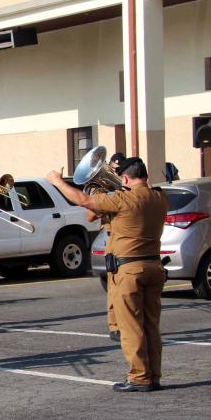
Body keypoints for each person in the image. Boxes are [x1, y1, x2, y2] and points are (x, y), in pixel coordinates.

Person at [47, 157, 168, 391]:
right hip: (153, 266)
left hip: (129, 270)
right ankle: (154, 375)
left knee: (131, 326)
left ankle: (139, 377)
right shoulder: (159, 197)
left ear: (124, 178)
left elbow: (84, 200)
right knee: (151, 325)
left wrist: (56, 182)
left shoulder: (123, 199)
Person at [86, 152, 126, 343]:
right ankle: (115, 326)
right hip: (112, 238)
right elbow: (90, 216)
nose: (116, 172)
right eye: (114, 168)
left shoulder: (126, 188)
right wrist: (106, 201)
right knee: (115, 285)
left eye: (120, 170)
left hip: (128, 238)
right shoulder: (97, 188)